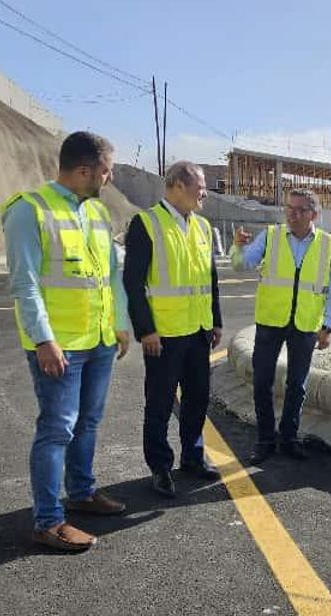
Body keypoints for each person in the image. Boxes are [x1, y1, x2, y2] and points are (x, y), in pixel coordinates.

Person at [1, 131, 130, 552]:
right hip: (60, 345)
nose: (109, 179)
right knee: (57, 428)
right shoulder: (29, 211)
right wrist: (43, 340)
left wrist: (120, 324)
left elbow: (110, 275)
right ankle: (48, 520)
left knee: (88, 422)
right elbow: (25, 284)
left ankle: (82, 492)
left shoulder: (96, 214)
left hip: (98, 340)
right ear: (83, 170)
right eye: (106, 171)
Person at [123, 161, 223, 497]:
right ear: (177, 185)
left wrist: (216, 321)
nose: (204, 192)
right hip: (163, 336)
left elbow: (210, 279)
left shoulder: (204, 227)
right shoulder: (146, 223)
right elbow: (133, 283)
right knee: (160, 403)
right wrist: (145, 330)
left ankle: (193, 457)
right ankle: (160, 466)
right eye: (199, 186)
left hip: (198, 331)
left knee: (197, 400)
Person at [231, 188, 331, 464]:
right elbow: (241, 264)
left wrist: (328, 326)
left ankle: (289, 438)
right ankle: (266, 439)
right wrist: (237, 246)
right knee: (261, 382)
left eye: (300, 210)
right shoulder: (271, 236)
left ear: (314, 214)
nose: (292, 214)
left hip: (305, 325)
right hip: (270, 322)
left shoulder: (328, 244)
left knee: (297, 385)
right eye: (289, 209)